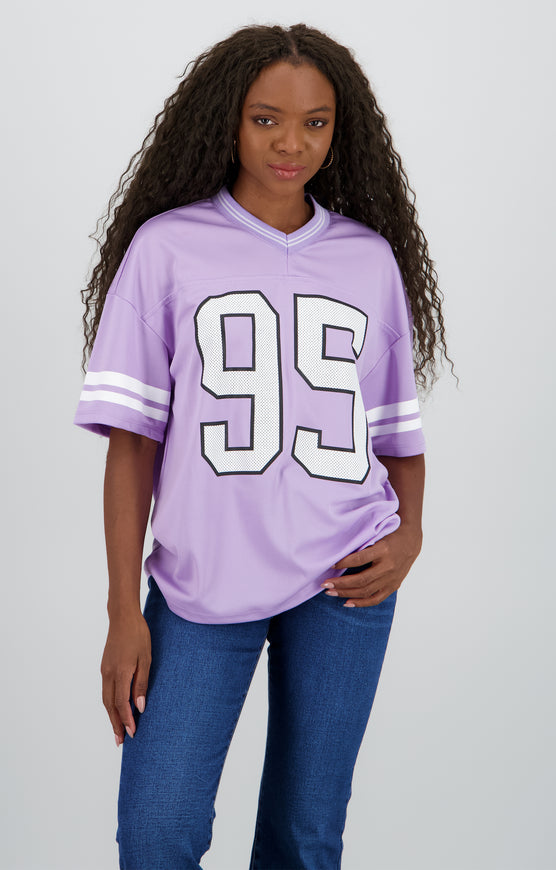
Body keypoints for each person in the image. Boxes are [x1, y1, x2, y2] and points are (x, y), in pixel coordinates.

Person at [74, 22, 450, 870]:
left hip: (346, 579)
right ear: (228, 121)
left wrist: (411, 535)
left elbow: (397, 434)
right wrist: (123, 611)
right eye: (266, 119)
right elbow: (131, 446)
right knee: (159, 830)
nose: (291, 143)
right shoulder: (167, 248)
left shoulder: (368, 260)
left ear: (339, 130)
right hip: (203, 580)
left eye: (316, 122)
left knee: (305, 836)